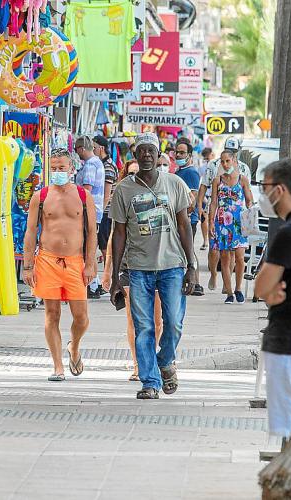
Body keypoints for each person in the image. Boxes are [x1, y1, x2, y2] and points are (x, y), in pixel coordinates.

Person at [109, 133, 197, 400]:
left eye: (151, 151)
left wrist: (192, 265)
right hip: (138, 268)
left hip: (172, 265)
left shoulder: (174, 183)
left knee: (174, 323)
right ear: (134, 155)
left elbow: (184, 225)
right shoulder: (123, 190)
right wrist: (115, 276)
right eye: (142, 151)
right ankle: (150, 381)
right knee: (144, 327)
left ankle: (165, 360)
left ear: (159, 156)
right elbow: (119, 233)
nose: (147, 155)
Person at [23, 148, 98, 381]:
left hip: (75, 262)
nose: (57, 171)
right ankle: (58, 366)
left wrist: (90, 263)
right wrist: (28, 265)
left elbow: (92, 232)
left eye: (61, 167)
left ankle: (74, 346)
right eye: (53, 167)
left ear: (71, 168)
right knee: (51, 313)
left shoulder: (84, 196)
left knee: (81, 317)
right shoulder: (41, 196)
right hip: (47, 260)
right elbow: (30, 231)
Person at [254, 158, 291, 440]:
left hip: (288, 339)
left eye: (265, 187)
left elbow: (262, 286)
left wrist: (270, 291)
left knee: (289, 431)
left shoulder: (289, 233)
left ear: (280, 189)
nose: (263, 194)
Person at [102, 160, 163, 381]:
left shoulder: (159, 195)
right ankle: (139, 365)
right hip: (129, 266)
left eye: (139, 172)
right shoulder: (122, 199)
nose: (135, 177)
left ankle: (151, 360)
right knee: (134, 320)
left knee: (157, 321)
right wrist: (108, 271)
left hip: (157, 265)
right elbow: (113, 237)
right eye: (130, 174)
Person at [197, 137, 251, 290]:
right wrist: (200, 206)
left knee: (232, 253)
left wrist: (249, 214)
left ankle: (228, 285)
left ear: (237, 153)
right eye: (228, 151)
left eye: (233, 152)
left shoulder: (244, 169)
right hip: (217, 212)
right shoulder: (213, 165)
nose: (226, 163)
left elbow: (247, 193)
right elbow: (204, 185)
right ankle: (214, 274)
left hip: (236, 216)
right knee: (214, 250)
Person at [208, 150, 253, 304]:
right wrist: (211, 222)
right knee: (225, 258)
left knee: (240, 257)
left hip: (239, 222)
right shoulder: (217, 180)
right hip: (222, 222)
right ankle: (229, 292)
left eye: (227, 161)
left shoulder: (242, 179)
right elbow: (213, 202)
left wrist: (250, 211)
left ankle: (238, 288)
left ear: (234, 160)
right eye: (222, 161)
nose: (225, 164)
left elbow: (249, 200)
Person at [74, 136, 105, 299]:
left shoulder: (90, 165)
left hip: (88, 211)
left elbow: (86, 190)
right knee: (89, 246)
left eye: (76, 150)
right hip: (94, 211)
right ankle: (94, 283)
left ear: (81, 149)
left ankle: (91, 285)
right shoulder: (97, 162)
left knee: (87, 247)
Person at [174, 138, 204, 296]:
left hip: (187, 220)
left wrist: (184, 216)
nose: (178, 155)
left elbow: (192, 199)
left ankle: (196, 283)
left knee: (189, 250)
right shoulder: (179, 172)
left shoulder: (191, 172)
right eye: (177, 152)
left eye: (182, 152)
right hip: (179, 219)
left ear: (190, 155)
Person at [94, 135, 118, 269]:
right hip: (103, 212)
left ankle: (109, 274)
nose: (93, 150)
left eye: (94, 147)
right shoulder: (102, 164)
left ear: (101, 148)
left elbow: (106, 195)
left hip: (105, 212)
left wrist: (99, 215)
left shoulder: (107, 166)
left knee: (105, 246)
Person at [197, 147, 214, 249]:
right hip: (206, 196)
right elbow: (200, 185)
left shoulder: (217, 166)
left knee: (210, 219)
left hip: (212, 196)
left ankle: (209, 241)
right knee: (205, 219)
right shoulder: (202, 168)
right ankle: (206, 241)